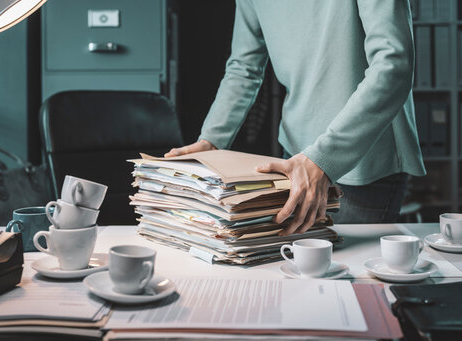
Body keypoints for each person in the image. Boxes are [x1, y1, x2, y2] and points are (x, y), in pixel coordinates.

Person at [166, 0, 426, 235]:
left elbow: (393, 65)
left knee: (347, 277)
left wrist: (322, 160)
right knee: (297, 275)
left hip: (361, 158)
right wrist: (211, 139)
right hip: (296, 157)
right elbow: (243, 69)